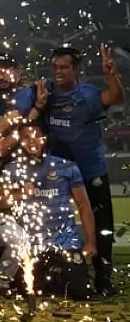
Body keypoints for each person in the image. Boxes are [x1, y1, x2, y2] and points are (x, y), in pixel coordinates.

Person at [42, 45, 124, 296]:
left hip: (90, 171)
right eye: (55, 67)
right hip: (56, 174)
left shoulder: (87, 95)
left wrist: (111, 74)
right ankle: (55, 273)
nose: (58, 72)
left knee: (102, 226)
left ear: (76, 70)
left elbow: (116, 98)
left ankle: (103, 277)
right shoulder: (45, 92)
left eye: (64, 67)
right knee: (50, 223)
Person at [0, 121, 97, 300]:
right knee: (32, 291)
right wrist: (20, 193)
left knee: (80, 293)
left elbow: (83, 205)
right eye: (26, 138)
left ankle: (67, 276)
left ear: (44, 139)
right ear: (19, 141)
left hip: (66, 241)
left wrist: (91, 242)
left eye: (37, 137)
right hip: (32, 244)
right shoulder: (12, 169)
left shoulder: (66, 167)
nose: (32, 142)